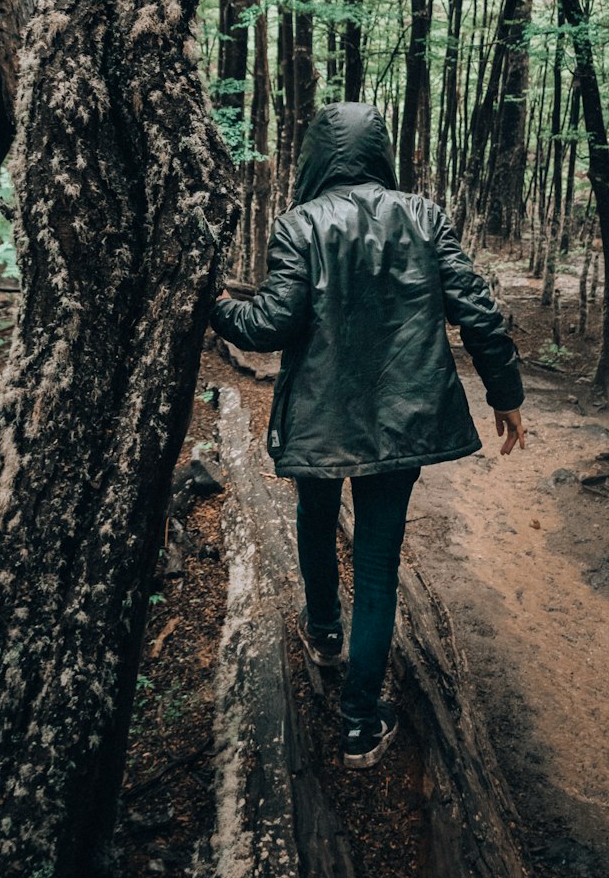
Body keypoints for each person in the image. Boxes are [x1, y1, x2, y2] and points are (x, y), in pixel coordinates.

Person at [211, 102, 525, 770]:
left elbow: (268, 325)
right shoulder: (425, 215)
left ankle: (324, 630)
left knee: (316, 517)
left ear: (316, 155)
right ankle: (360, 723)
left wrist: (211, 304)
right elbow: (479, 311)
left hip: (322, 423)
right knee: (378, 566)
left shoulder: (297, 224)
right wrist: (507, 395)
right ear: (379, 151)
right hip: (403, 419)